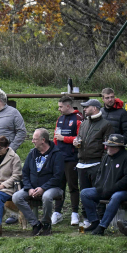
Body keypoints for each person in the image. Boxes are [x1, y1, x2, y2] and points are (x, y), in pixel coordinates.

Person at [80, 134, 127, 236]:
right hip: (104, 189)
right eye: (107, 145)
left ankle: (102, 226)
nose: (107, 148)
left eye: (111, 146)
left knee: (115, 197)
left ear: (118, 147)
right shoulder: (106, 157)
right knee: (85, 193)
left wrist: (113, 189)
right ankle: (94, 221)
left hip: (124, 191)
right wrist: (99, 186)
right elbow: (100, 173)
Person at [11, 129, 65, 236]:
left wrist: (43, 188)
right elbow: (25, 173)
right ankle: (35, 224)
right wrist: (29, 188)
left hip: (53, 188)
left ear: (43, 140)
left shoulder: (57, 154)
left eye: (35, 139)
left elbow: (57, 177)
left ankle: (46, 223)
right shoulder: (32, 154)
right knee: (16, 197)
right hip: (33, 187)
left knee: (46, 196)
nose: (32, 141)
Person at [52, 96, 83, 225]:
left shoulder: (78, 119)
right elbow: (55, 137)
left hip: (72, 158)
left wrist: (64, 138)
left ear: (68, 106)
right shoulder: (60, 119)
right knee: (59, 186)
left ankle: (75, 213)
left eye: (60, 107)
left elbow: (80, 138)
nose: (59, 109)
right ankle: (57, 212)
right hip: (59, 158)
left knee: (73, 186)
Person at [75, 99, 113, 194]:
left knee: (97, 193)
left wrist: (102, 164)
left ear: (95, 108)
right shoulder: (83, 124)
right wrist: (76, 143)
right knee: (83, 193)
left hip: (96, 164)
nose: (84, 109)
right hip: (82, 164)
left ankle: (99, 210)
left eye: (87, 107)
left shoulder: (106, 124)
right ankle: (85, 210)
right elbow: (78, 138)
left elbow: (108, 147)